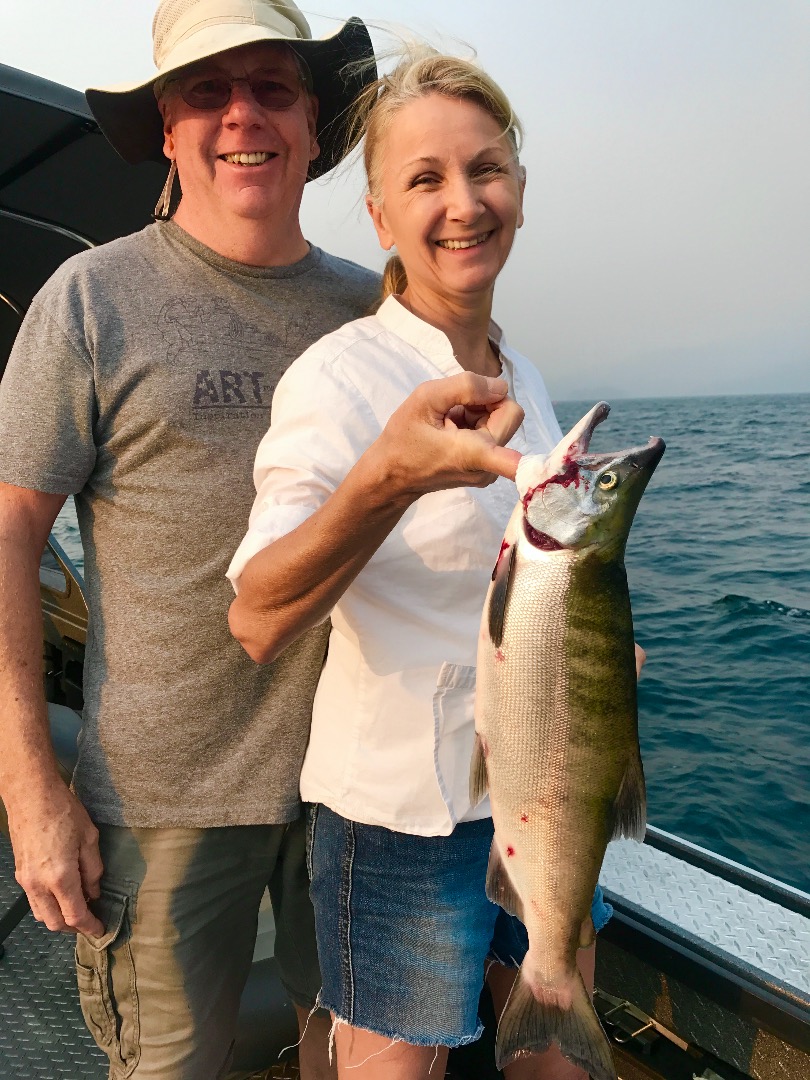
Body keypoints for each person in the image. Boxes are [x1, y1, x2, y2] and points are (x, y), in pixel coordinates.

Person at [0, 2, 384, 1077]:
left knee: (352, 1057)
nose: (241, 115)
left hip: (357, 792)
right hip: (160, 797)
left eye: (272, 87)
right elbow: (9, 537)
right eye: (206, 92)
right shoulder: (89, 300)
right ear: (168, 129)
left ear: (315, 120)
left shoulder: (381, 314)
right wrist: (31, 791)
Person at [228, 48, 617, 1080]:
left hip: (541, 792)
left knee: (561, 1060)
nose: (463, 203)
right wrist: (386, 478)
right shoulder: (341, 379)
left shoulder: (524, 373)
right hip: (399, 817)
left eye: (486, 170)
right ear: (378, 216)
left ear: (522, 193)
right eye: (426, 179)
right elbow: (256, 614)